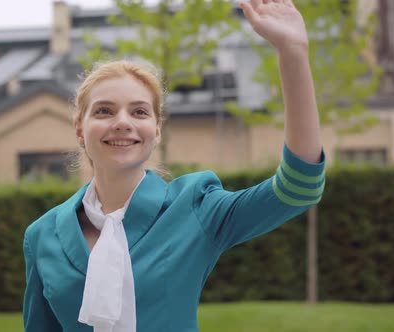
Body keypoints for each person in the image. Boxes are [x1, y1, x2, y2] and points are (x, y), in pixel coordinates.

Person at [23, 0, 326, 331]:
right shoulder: (42, 236)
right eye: (104, 111)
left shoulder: (194, 207)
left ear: (157, 130)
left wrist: (292, 53)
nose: (122, 122)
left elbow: (298, 188)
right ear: (79, 129)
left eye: (139, 112)